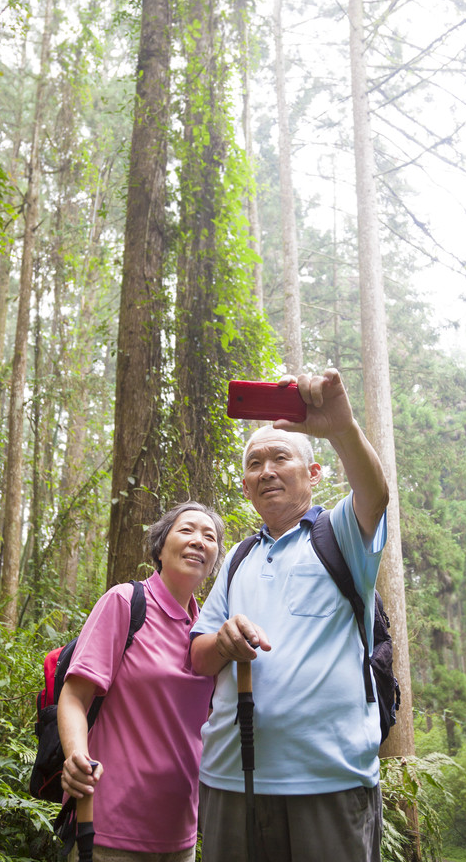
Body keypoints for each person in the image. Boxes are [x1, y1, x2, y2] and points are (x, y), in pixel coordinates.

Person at [190, 368, 390, 862]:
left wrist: (342, 428)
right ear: (245, 486)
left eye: (281, 457)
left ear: (314, 473)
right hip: (229, 779)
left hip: (330, 781)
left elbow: (375, 496)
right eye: (255, 464)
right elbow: (198, 656)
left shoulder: (341, 535)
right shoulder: (237, 559)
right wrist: (223, 641)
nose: (267, 471)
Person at [57, 501, 226, 862]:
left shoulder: (208, 633)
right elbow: (74, 695)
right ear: (159, 548)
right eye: (186, 530)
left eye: (209, 536)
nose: (198, 540)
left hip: (180, 834)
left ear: (214, 562)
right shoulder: (125, 602)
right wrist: (76, 757)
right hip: (108, 828)